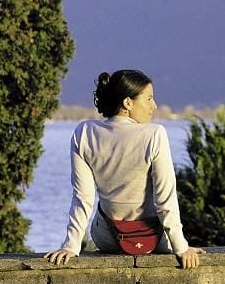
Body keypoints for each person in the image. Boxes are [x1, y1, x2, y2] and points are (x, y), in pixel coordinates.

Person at [44, 70, 204, 269]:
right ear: (128, 103)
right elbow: (165, 198)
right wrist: (181, 247)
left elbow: (83, 197)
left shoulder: (84, 132)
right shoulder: (155, 134)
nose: (154, 106)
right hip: (153, 240)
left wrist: (71, 246)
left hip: (107, 238)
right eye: (149, 99)